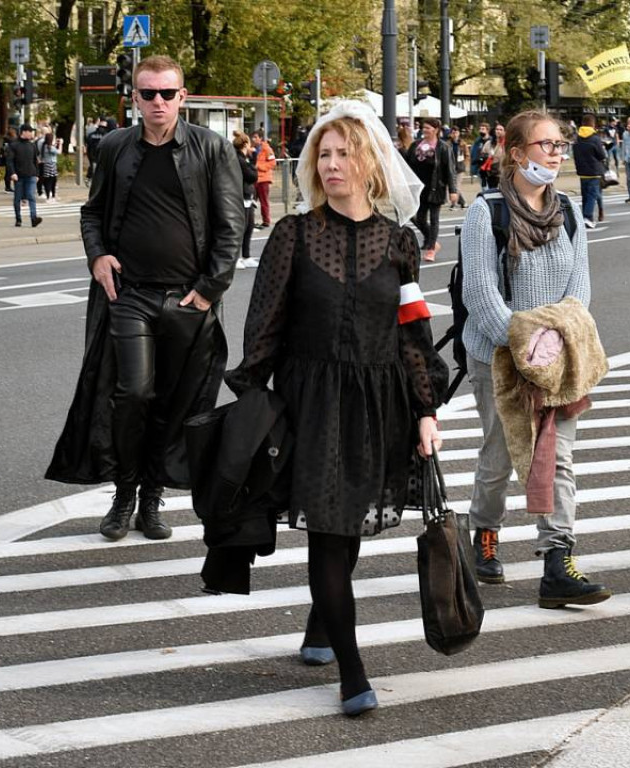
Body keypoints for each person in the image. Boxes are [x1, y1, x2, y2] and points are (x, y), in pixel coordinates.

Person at [225, 100, 447, 717]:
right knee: (326, 533)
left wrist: (426, 408)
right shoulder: (293, 235)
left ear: (371, 162)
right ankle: (352, 672)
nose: (331, 164)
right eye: (323, 153)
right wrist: (250, 402)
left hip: (380, 405)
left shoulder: (400, 242)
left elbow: (411, 333)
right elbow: (263, 327)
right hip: (310, 402)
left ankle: (320, 626)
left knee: (347, 531)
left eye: (344, 153)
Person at [46, 55, 245, 540]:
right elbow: (92, 213)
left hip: (187, 301)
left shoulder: (210, 148)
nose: (158, 102)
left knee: (173, 403)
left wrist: (206, 291)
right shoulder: (115, 146)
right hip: (129, 296)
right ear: (133, 98)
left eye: (167, 93)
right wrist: (97, 256)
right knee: (131, 394)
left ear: (182, 97)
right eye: (148, 93)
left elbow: (231, 225)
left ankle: (152, 498)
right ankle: (124, 492)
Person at [460, 110, 612, 608]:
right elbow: (481, 295)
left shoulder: (567, 209)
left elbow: (581, 286)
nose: (556, 153)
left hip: (558, 359)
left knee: (558, 458)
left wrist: (556, 340)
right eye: (546, 145)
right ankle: (483, 530)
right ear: (517, 152)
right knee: (500, 457)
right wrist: (523, 343)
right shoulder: (488, 211)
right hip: (499, 357)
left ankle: (557, 559)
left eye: (560, 145)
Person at [404, 117, 458, 262]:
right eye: (424, 127)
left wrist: (453, 190)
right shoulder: (415, 145)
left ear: (436, 130)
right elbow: (407, 164)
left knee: (434, 219)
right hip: (419, 188)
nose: (425, 130)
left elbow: (450, 170)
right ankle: (432, 240)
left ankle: (431, 249)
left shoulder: (443, 147)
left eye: (428, 128)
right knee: (419, 218)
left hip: (436, 187)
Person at [572, 113, 606, 229]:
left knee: (585, 195)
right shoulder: (595, 138)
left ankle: (583, 217)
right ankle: (588, 217)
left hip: (582, 171)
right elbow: (601, 155)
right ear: (593, 124)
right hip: (594, 171)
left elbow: (575, 154)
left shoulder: (577, 138)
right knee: (592, 195)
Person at [6, 124, 42, 228]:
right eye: (30, 131)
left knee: (31, 196)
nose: (31, 133)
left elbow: (35, 161)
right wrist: (12, 173)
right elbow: (9, 161)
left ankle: (33, 218)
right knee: (17, 198)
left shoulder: (32, 146)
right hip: (19, 175)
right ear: (24, 132)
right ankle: (18, 219)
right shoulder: (13, 145)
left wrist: (37, 174)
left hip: (31, 175)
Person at [233, 131, 260, 269]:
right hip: (240, 196)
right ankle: (236, 258)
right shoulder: (239, 159)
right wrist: (253, 158)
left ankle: (246, 256)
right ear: (245, 144)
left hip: (247, 196)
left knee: (249, 227)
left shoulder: (244, 158)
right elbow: (252, 176)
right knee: (241, 228)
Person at [251, 129, 276, 228]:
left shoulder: (266, 148)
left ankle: (266, 221)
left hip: (263, 179)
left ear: (260, 138)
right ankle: (250, 221)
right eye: (253, 137)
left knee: (263, 201)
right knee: (251, 201)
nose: (253, 139)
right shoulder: (252, 148)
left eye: (255, 137)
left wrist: (259, 166)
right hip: (254, 178)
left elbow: (272, 163)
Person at [478, 122, 506, 189]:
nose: (498, 131)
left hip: (503, 173)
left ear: (505, 132)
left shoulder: (507, 144)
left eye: (500, 129)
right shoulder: (489, 143)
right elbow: (482, 156)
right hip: (492, 173)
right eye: (497, 129)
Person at [447, 127, 468, 209]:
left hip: (460, 167)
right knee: (453, 186)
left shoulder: (463, 143)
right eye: (453, 132)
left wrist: (464, 164)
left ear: (459, 133)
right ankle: (462, 202)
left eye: (456, 132)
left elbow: (467, 155)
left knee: (457, 186)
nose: (454, 134)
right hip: (451, 167)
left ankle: (454, 203)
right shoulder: (448, 143)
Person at [39, 134, 62, 202]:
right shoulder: (50, 148)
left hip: (46, 164)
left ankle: (48, 196)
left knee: (47, 181)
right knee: (53, 180)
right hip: (52, 164)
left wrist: (55, 144)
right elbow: (59, 152)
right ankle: (52, 196)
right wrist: (61, 144)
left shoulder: (44, 146)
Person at [470, 121, 490, 188]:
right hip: (480, 167)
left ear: (487, 130)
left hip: (490, 167)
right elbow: (473, 154)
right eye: (480, 129)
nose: (481, 131)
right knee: (483, 187)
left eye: (483, 129)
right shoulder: (477, 141)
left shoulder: (492, 141)